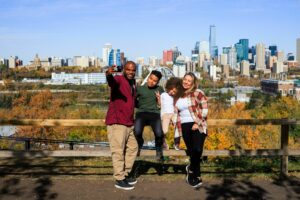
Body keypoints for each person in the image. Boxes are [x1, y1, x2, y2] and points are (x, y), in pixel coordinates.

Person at [105, 61, 138, 190]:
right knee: (118, 151)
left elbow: (134, 102)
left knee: (133, 148)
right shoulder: (118, 79)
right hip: (117, 122)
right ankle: (119, 179)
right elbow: (111, 82)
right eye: (128, 69)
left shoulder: (133, 83)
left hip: (129, 123)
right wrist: (108, 74)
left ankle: (125, 174)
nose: (131, 72)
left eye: (133, 70)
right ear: (124, 69)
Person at [172, 72, 208, 188]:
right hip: (184, 125)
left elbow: (205, 109)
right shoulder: (176, 94)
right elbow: (171, 109)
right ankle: (196, 175)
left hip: (197, 124)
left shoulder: (198, 93)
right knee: (192, 151)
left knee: (197, 149)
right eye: (185, 80)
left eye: (189, 81)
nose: (186, 82)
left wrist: (197, 122)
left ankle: (192, 169)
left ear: (193, 83)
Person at [134, 70, 164, 161]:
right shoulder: (139, 88)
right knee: (137, 132)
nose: (152, 81)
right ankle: (139, 144)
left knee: (159, 134)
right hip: (141, 113)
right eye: (150, 78)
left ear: (158, 82)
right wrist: (139, 106)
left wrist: (159, 99)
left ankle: (158, 150)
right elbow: (133, 101)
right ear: (148, 77)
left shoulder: (160, 89)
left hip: (154, 113)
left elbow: (163, 104)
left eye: (155, 81)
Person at [159, 77, 181, 150]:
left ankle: (177, 143)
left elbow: (177, 106)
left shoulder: (176, 97)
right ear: (168, 87)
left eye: (174, 91)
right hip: (165, 114)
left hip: (174, 114)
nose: (172, 92)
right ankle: (163, 142)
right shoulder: (163, 95)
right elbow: (160, 104)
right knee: (164, 130)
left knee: (178, 128)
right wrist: (158, 99)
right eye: (171, 89)